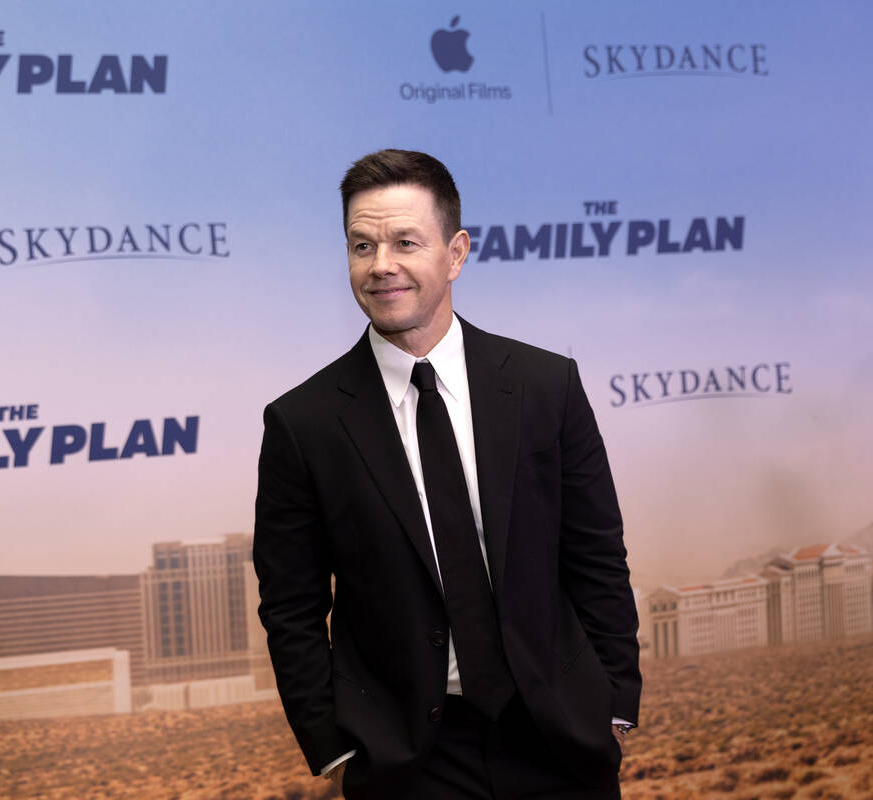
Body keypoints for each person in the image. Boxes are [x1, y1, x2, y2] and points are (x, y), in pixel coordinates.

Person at [253, 149, 641, 799]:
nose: (381, 265)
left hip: (558, 738)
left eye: (405, 242)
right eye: (362, 245)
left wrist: (614, 705)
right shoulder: (303, 423)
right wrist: (334, 747)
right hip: (408, 762)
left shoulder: (546, 387)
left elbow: (597, 556)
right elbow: (291, 605)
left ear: (456, 253)